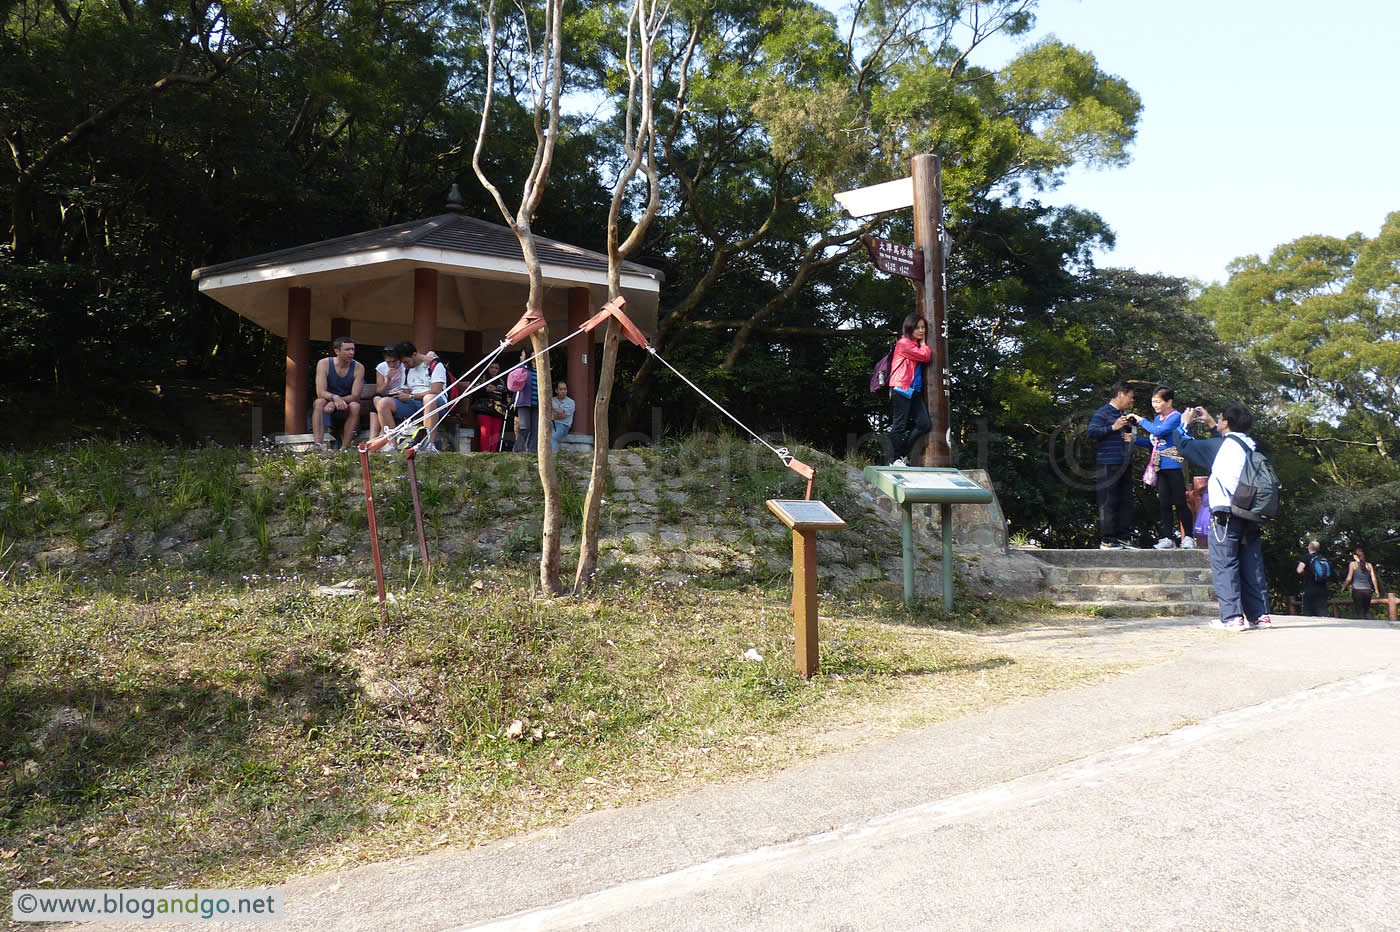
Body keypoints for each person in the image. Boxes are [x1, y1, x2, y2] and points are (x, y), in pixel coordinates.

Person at [1182, 402, 1271, 632]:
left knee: (1225, 563)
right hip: (1250, 512)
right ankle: (1260, 616)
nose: (1218, 421)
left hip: (1226, 513)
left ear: (1227, 423)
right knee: (1251, 564)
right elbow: (1222, 441)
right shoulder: (1249, 445)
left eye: (1220, 418)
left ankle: (1232, 617)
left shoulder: (1223, 447)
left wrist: (1184, 424)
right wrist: (1212, 423)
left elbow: (1185, 446)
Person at [1128, 386, 1194, 549]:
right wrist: (1133, 439)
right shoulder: (1157, 419)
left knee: (1180, 502)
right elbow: (1154, 443)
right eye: (1153, 402)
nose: (1155, 405)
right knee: (1164, 503)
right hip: (1160, 465)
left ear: (1169, 402)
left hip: (1174, 464)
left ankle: (1188, 537)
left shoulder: (1176, 417)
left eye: (1158, 402)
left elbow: (1159, 432)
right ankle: (1168, 538)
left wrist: (1140, 420)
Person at [1086, 382, 1137, 550]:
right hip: (1107, 463)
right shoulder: (1102, 412)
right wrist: (1113, 427)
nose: (1131, 400)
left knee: (1126, 501)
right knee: (1108, 501)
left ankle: (1123, 537)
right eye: (1130, 397)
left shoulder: (1123, 415)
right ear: (1120, 394)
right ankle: (1108, 539)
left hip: (1125, 463)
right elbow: (1091, 433)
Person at [887, 314, 932, 468]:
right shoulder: (904, 343)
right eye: (917, 327)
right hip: (901, 387)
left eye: (923, 327)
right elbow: (925, 356)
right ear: (909, 328)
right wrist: (924, 343)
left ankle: (902, 455)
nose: (921, 330)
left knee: (924, 424)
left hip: (914, 390)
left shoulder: (913, 344)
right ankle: (894, 460)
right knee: (899, 425)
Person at [311, 336, 364, 450]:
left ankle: (345, 447)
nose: (351, 352)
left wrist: (337, 401)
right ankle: (318, 444)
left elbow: (355, 395)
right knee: (319, 402)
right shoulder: (324, 363)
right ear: (337, 351)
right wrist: (334, 398)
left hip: (346, 403)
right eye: (347, 349)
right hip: (327, 401)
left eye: (353, 349)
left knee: (355, 406)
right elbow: (320, 392)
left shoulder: (358, 367)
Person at [470, 360, 510, 452]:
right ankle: (485, 453)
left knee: (495, 434)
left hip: (498, 410)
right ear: (488, 368)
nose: (494, 370)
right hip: (484, 408)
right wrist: (485, 390)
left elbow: (505, 396)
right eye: (492, 367)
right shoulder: (481, 378)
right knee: (485, 432)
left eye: (496, 368)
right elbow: (474, 393)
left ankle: (493, 454)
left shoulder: (502, 381)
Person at [369, 345, 406, 442]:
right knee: (376, 399)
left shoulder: (404, 366)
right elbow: (380, 391)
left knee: (379, 405)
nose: (392, 365)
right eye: (389, 362)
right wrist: (387, 379)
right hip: (386, 394)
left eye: (394, 361)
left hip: (400, 394)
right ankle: (374, 437)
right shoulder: (381, 367)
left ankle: (382, 434)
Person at [1295, 540, 1333, 617]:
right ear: (1318, 548)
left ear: (1309, 547)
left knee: (1308, 610)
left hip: (1309, 587)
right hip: (1322, 588)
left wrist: (1306, 574)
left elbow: (1299, 570)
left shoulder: (1306, 557)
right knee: (1322, 611)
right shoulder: (1323, 558)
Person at [1341, 547, 1380, 620]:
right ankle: (1371, 623)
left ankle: (1363, 625)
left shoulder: (1353, 564)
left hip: (1357, 590)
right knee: (1366, 611)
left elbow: (1349, 578)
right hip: (1367, 590)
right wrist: (1376, 590)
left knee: (1360, 611)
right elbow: (1373, 578)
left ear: (1355, 556)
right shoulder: (1369, 565)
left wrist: (1343, 588)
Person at [512, 358, 540, 453]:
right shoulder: (524, 368)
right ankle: (517, 449)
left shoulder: (542, 369)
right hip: (523, 402)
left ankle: (532, 451)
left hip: (537, 403)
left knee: (535, 428)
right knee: (525, 427)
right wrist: (522, 362)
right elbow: (515, 378)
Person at [550, 380, 575, 453]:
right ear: (556, 391)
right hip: (551, 423)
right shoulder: (552, 400)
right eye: (561, 389)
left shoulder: (571, 402)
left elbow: (563, 415)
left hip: (563, 425)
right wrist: (556, 414)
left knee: (553, 437)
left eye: (565, 389)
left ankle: (553, 456)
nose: (563, 391)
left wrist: (553, 408)